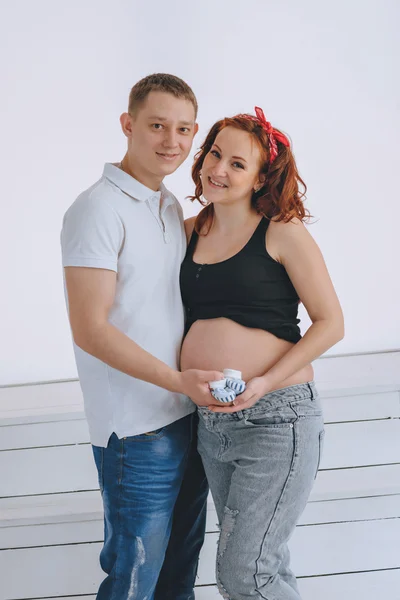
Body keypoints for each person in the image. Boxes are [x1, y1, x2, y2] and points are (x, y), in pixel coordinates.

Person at [60, 73, 225, 600]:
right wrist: (177, 378)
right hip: (134, 432)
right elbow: (90, 329)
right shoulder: (97, 209)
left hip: (186, 416)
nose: (170, 141)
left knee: (178, 575)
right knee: (134, 581)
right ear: (128, 125)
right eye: (156, 125)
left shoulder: (169, 205)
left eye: (182, 129)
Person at [180, 107, 344, 599]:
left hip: (276, 420)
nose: (219, 169)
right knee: (262, 569)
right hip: (212, 423)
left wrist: (264, 383)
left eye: (237, 164)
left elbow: (331, 323)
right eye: (214, 154)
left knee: (244, 574)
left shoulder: (281, 231)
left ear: (259, 178)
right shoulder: (186, 232)